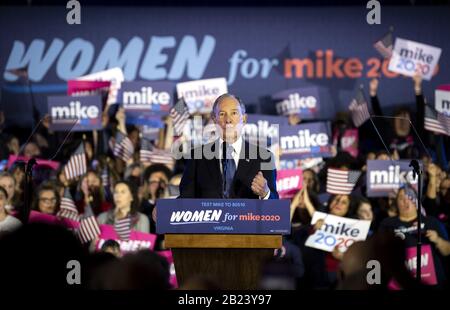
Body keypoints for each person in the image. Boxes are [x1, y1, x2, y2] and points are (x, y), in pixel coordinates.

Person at [179, 93, 278, 199]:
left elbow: (275, 206)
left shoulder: (264, 158)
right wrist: (163, 210)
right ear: (214, 119)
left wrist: (265, 193)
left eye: (234, 113)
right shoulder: (197, 156)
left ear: (244, 119)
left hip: (247, 215)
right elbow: (185, 200)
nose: (228, 120)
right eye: (222, 114)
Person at [379, 187, 450, 287]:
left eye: (410, 197)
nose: (406, 200)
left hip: (432, 283)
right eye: (401, 198)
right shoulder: (387, 224)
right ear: (396, 203)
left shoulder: (431, 222)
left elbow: (447, 251)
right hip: (401, 283)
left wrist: (437, 240)